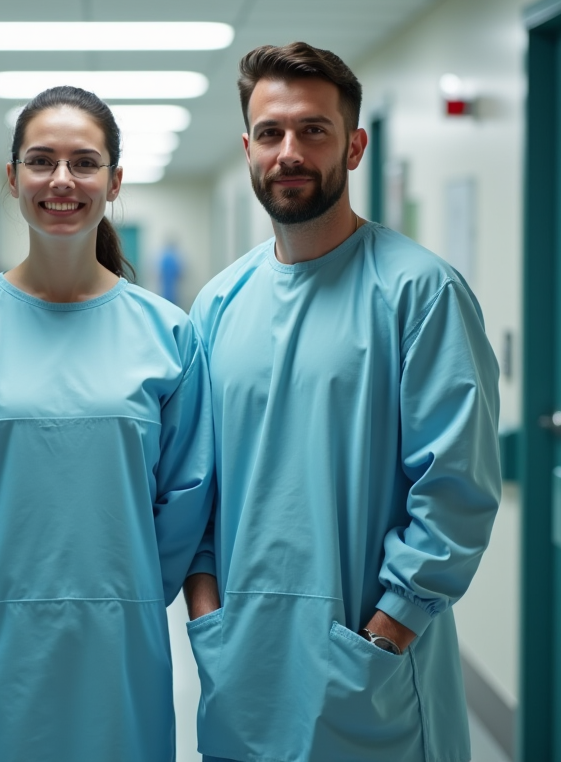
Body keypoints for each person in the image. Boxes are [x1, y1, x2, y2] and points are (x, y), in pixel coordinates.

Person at [183, 42, 501, 762]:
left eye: (313, 131)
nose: (289, 151)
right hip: (245, 666)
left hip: (372, 667)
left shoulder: (419, 293)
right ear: (248, 149)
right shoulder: (217, 306)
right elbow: (194, 484)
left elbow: (457, 488)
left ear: (354, 147)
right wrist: (208, 614)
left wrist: (391, 628)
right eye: (270, 133)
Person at [0, 86, 215, 762]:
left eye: (85, 162)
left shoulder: (168, 335)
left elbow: (186, 496)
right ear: (12, 178)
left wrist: (123, 587)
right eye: (42, 161)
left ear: (114, 182)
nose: (62, 181)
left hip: (121, 640)